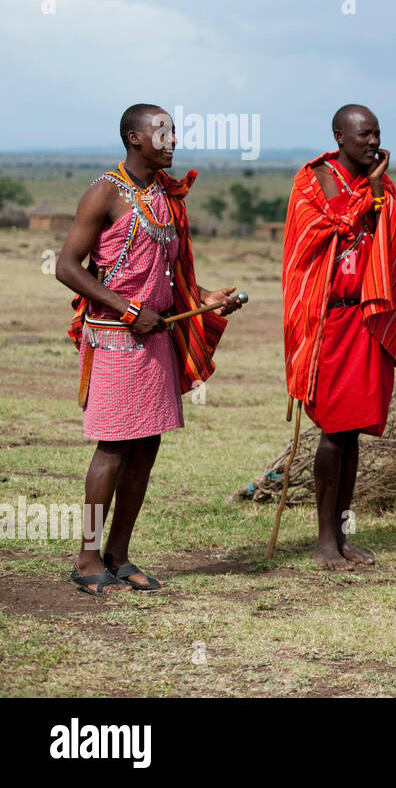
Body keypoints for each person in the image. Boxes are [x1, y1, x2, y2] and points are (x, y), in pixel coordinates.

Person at [57, 104, 242, 594]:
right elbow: (67, 268)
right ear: (134, 138)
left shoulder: (166, 196)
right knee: (114, 446)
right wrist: (127, 310)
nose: (172, 140)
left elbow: (169, 272)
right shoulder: (104, 193)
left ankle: (119, 554)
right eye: (161, 133)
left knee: (147, 444)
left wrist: (203, 298)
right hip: (115, 337)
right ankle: (87, 558)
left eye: (174, 132)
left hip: (157, 335)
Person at [282, 104, 396, 571]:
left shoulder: (381, 186)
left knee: (352, 431)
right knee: (334, 432)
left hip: (367, 319)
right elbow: (313, 233)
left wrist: (376, 193)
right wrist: (363, 200)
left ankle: (341, 535)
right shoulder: (313, 180)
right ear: (339, 135)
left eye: (376, 133)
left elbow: (389, 238)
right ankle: (322, 542)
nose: (372, 142)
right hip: (326, 318)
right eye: (362, 135)